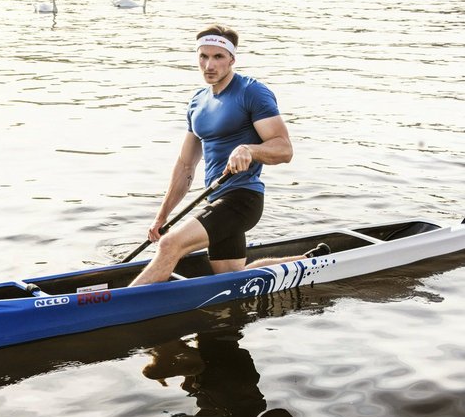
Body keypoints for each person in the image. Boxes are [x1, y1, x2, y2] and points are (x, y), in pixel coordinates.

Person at [130, 24, 327, 286]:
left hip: (243, 199)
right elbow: (186, 165)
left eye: (218, 57)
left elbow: (284, 148)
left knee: (170, 244)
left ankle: (110, 310)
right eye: (203, 56)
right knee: (232, 278)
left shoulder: (251, 92)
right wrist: (162, 215)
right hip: (216, 200)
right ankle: (311, 260)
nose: (209, 65)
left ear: (232, 58)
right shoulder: (197, 101)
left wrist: (249, 149)